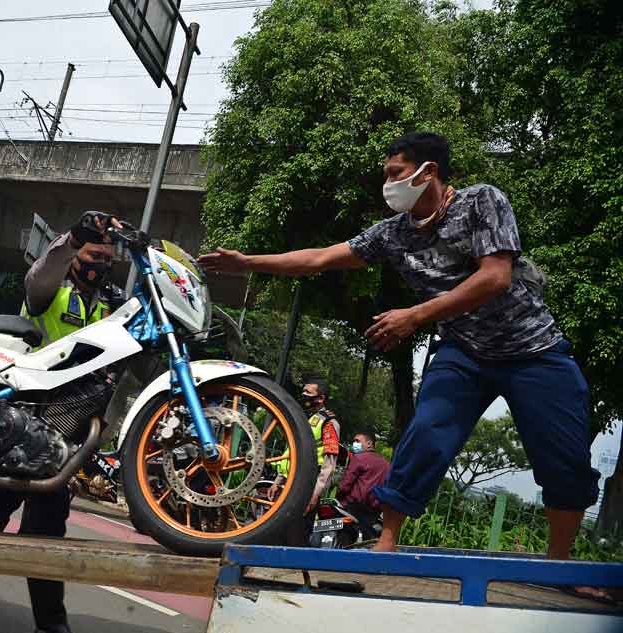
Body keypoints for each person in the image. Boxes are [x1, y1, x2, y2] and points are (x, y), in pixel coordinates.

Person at [199, 131, 601, 575]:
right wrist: (248, 262)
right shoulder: (393, 234)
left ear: (428, 172)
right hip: (465, 353)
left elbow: (495, 277)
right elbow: (319, 258)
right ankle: (386, 544)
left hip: (533, 350)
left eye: (396, 173)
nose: (387, 184)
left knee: (564, 459)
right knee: (425, 434)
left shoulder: (481, 201)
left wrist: (415, 316)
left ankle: (563, 566)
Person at [0, 210, 120, 633]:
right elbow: (39, 278)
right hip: (23, 414)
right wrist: (70, 240)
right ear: (76, 253)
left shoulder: (112, 305)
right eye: (94, 254)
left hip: (70, 424)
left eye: (108, 258)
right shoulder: (50, 289)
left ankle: (50, 631)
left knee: (47, 524)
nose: (100, 263)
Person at [269, 379, 341, 546]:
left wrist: (315, 494)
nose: (303, 395)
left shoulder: (329, 423)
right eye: (304, 391)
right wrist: (278, 481)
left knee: (297, 532)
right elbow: (292, 454)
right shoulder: (304, 419)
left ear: (321, 398)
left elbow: (329, 464)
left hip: (307, 483)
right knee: (279, 529)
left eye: (308, 393)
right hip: (290, 480)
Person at [336, 432, 390, 531]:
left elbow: (345, 485)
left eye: (357, 441)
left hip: (353, 508)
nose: (354, 444)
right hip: (373, 513)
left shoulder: (359, 458)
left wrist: (338, 498)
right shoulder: (386, 464)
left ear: (369, 444)